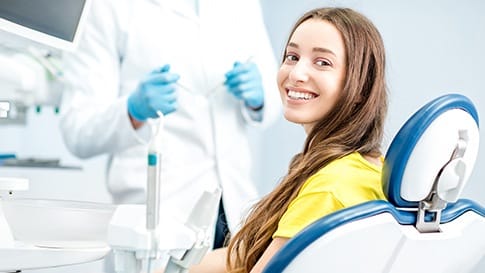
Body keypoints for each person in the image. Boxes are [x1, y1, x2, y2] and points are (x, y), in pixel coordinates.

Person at [175, 7, 388, 273]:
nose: (296, 73)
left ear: (360, 86)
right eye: (292, 56)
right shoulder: (361, 165)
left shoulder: (330, 187)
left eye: (323, 62)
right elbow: (249, 252)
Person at [59, 0, 281, 254]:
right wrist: (132, 111)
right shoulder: (108, 7)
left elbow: (275, 100)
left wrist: (260, 97)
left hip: (235, 209)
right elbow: (78, 128)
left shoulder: (243, 5)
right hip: (159, 214)